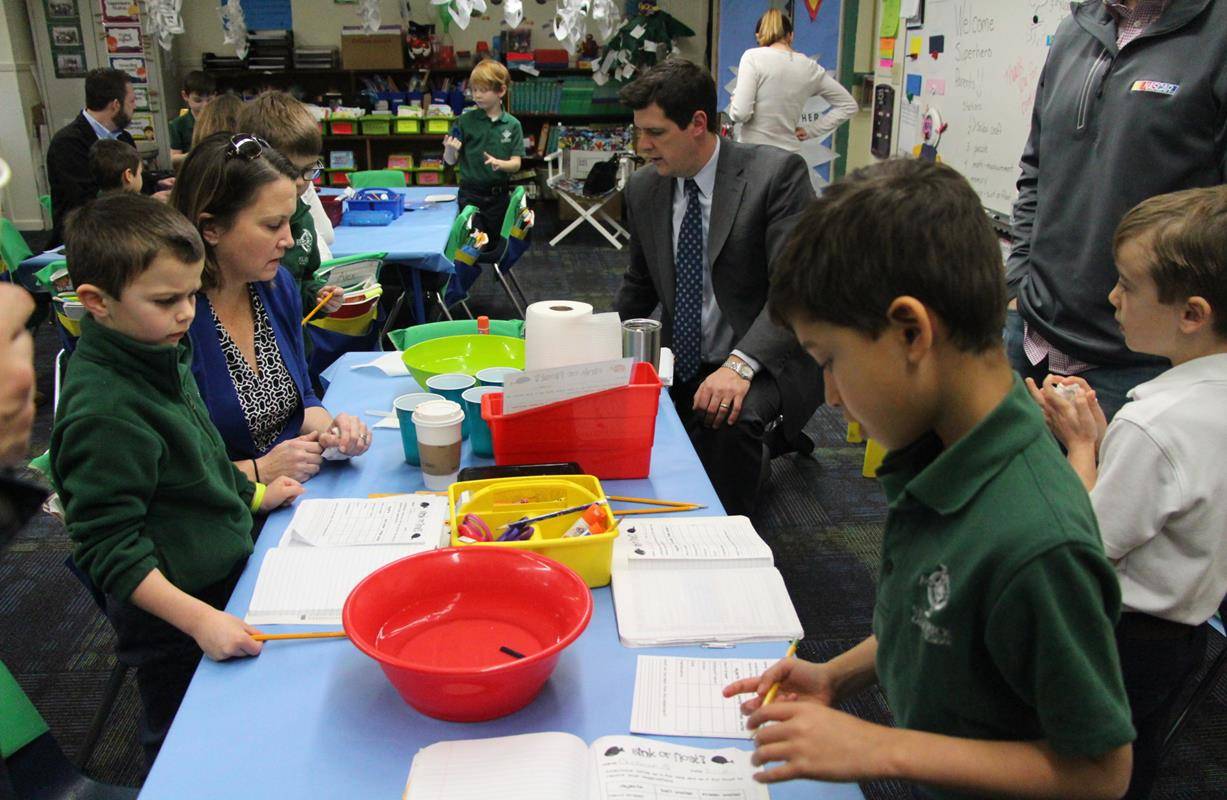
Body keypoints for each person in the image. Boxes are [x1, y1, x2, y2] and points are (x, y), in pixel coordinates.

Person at [724, 159, 1135, 799]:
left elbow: (1101, 772)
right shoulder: (947, 447)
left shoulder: (1038, 544)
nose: (830, 396)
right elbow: (933, 608)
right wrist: (836, 676)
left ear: (912, 332)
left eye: (830, 362)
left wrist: (883, 746)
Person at [50, 193, 304, 761]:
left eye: (191, 293)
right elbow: (109, 547)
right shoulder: (104, 411)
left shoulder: (158, 348)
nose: (187, 312)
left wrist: (255, 492)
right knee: (185, 747)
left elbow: (200, 457)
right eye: (166, 299)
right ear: (96, 301)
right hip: (174, 618)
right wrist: (200, 622)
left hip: (219, 578)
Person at [1027, 186, 1227, 800]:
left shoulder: (1154, 423)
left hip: (1120, 636)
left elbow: (1087, 550)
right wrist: (1110, 446)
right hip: (1183, 634)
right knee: (1136, 753)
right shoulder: (1195, 403)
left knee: (1089, 766)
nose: (1112, 297)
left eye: (1127, 285)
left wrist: (1083, 448)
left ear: (1191, 313)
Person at [614, 58, 820, 515]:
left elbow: (796, 293)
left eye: (656, 133)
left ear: (698, 124)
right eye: (638, 132)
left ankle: (727, 535)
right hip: (681, 356)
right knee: (617, 415)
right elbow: (638, 286)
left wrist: (741, 365)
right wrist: (592, 347)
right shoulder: (646, 188)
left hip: (766, 355)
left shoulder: (775, 176)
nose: (642, 146)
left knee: (726, 424)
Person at [1005, 0, 1227, 421]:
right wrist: (1018, 283)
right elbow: (1037, 167)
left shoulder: (1216, 35)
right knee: (1014, 485)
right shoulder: (1074, 30)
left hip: (1139, 361)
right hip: (1031, 334)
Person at [171, 134, 371, 484]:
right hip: (227, 515)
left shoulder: (276, 287)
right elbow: (171, 477)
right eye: (271, 225)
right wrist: (259, 471)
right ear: (211, 228)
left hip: (290, 491)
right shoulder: (175, 321)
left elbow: (303, 400)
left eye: (289, 222)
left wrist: (332, 430)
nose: (290, 240)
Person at [236, 91, 340, 309]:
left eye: (309, 170)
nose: (302, 182)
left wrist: (317, 297)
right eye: (290, 170)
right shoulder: (238, 222)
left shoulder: (304, 219)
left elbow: (305, 281)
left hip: (294, 337)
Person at [727, 9, 857, 154]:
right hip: (789, 158)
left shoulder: (752, 57)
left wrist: (734, 102)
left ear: (759, 36)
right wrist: (810, 131)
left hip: (753, 155)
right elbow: (848, 105)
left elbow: (740, 114)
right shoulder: (810, 67)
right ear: (791, 36)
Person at [45, 68, 139, 247]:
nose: (134, 106)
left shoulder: (123, 138)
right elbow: (83, 201)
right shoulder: (68, 144)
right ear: (115, 105)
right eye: (132, 101)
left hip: (121, 227)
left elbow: (133, 179)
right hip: (86, 238)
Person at [443, 59, 524, 245]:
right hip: (470, 195)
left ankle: (496, 273)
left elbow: (516, 163)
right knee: (469, 246)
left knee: (496, 245)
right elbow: (449, 161)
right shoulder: (464, 121)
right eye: (474, 90)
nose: (477, 95)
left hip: (499, 197)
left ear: (501, 91)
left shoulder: (512, 125)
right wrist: (449, 150)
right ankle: (467, 274)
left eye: (483, 90)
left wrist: (500, 163)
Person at [167, 70, 216, 167]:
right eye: (198, 100)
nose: (204, 105)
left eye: (209, 100)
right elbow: (174, 158)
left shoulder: (220, 120)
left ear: (215, 96)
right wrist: (194, 155)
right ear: (185, 96)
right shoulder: (178, 124)